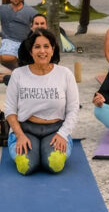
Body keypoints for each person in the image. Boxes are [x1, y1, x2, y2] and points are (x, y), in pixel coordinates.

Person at [5, 29, 79, 175]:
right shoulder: (18, 74)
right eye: (37, 47)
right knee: (25, 167)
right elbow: (10, 110)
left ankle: (48, 148)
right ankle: (26, 147)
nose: (42, 51)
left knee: (55, 164)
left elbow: (73, 109)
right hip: (25, 129)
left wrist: (63, 134)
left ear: (53, 49)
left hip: (55, 129)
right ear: (30, 50)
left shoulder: (65, 74)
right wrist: (19, 135)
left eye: (46, 46)